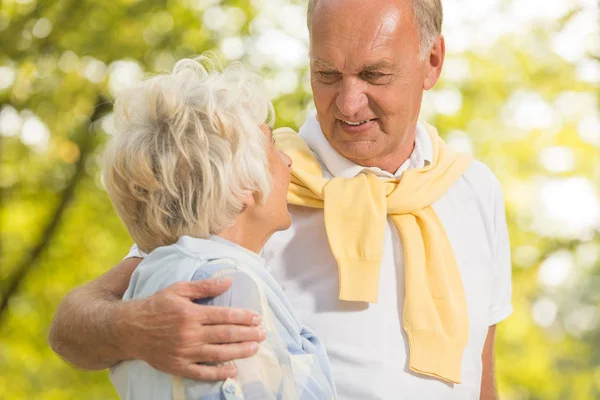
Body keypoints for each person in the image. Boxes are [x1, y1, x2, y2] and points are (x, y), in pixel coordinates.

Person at [49, 0, 513, 399]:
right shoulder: (248, 188)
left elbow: (479, 378)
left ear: (431, 61)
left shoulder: (474, 190)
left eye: (375, 74)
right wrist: (134, 328)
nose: (349, 103)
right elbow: (71, 327)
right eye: (327, 74)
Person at [100, 57, 336, 399]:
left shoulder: (149, 284)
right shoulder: (227, 287)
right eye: (271, 146)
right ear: (241, 183)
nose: (287, 160)